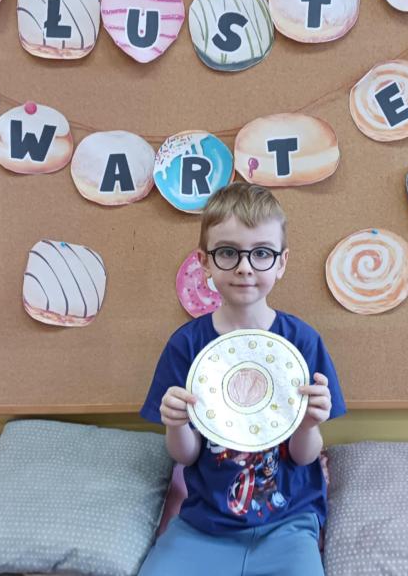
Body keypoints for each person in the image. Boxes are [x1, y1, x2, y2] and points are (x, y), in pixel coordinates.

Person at [139, 182, 346, 576]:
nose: (245, 267)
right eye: (228, 252)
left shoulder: (302, 341)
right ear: (205, 262)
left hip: (289, 523)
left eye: (262, 253)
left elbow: (305, 456)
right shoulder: (187, 345)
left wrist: (308, 423)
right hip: (204, 525)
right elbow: (185, 456)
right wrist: (176, 423)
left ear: (282, 263)